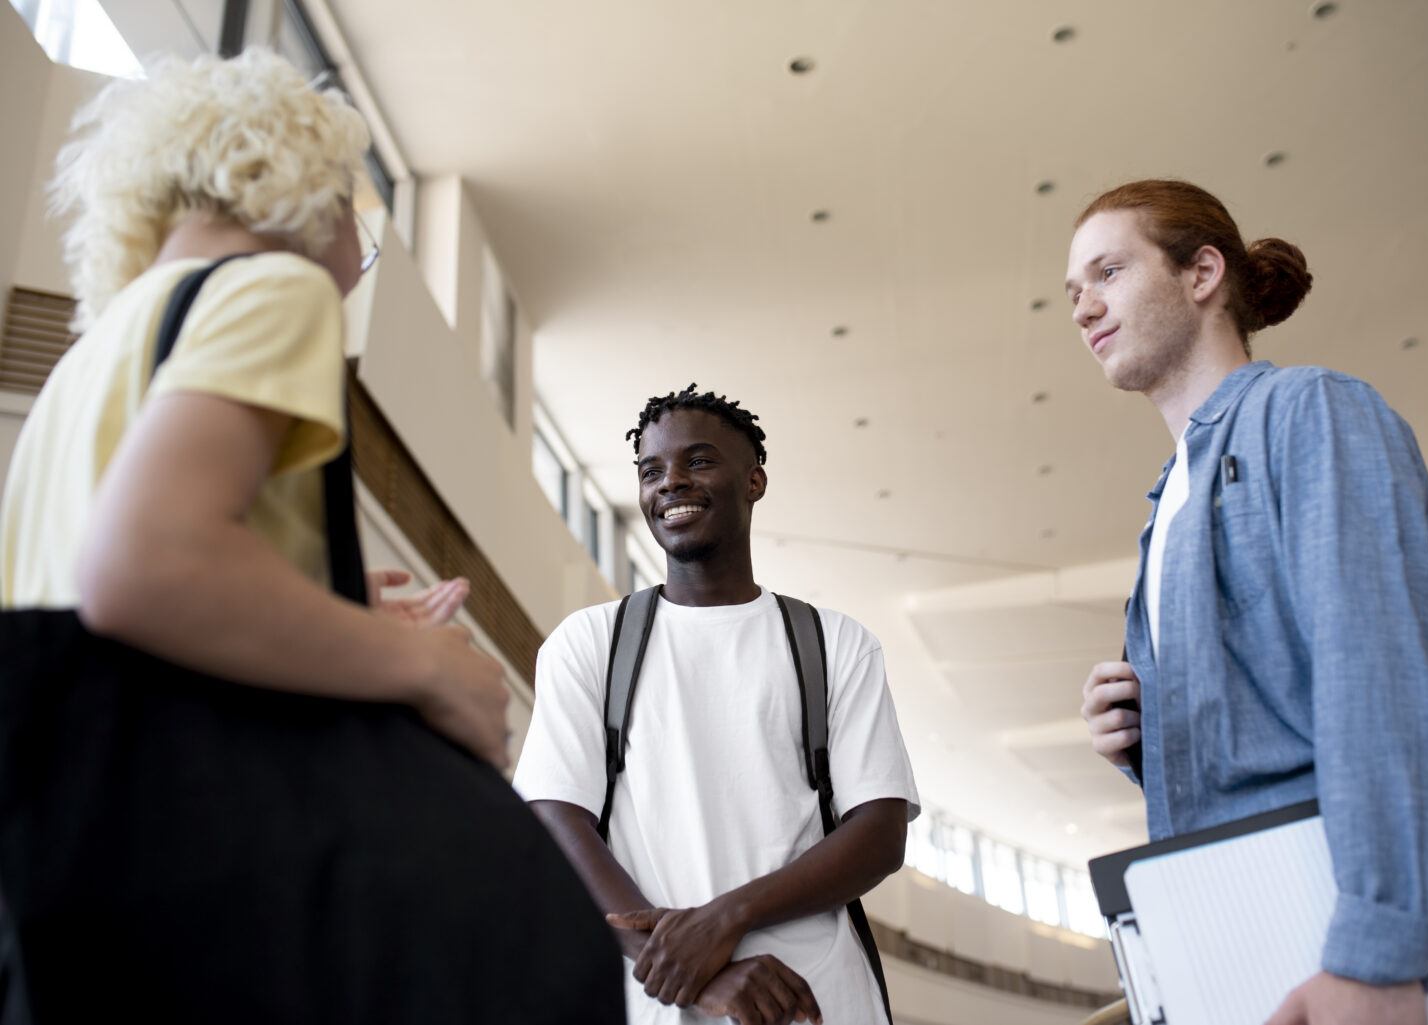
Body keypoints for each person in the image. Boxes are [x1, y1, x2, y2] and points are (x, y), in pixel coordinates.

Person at [0, 48, 621, 1022]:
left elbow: (89, 597)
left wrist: (326, 594)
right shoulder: (268, 288)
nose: (353, 261)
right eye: (362, 226)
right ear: (312, 189)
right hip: (214, 861)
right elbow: (146, 566)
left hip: (73, 869)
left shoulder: (84, 368)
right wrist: (422, 666)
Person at [1066, 179, 1428, 1025]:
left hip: (1366, 955)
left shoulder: (1308, 411)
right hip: (1253, 944)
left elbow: (1375, 675)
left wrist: (1378, 954)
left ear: (1202, 273)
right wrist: (1145, 734)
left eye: (1108, 271)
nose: (1082, 306)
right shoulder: (1168, 500)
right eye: (1072, 292)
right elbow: (1271, 716)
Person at [514, 384, 921, 1025]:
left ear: (755, 480)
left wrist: (725, 921)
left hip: (811, 999)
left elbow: (879, 833)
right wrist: (691, 973)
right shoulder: (591, 642)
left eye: (698, 462)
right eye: (652, 471)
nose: (671, 482)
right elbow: (557, 821)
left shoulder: (834, 643)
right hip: (654, 1003)